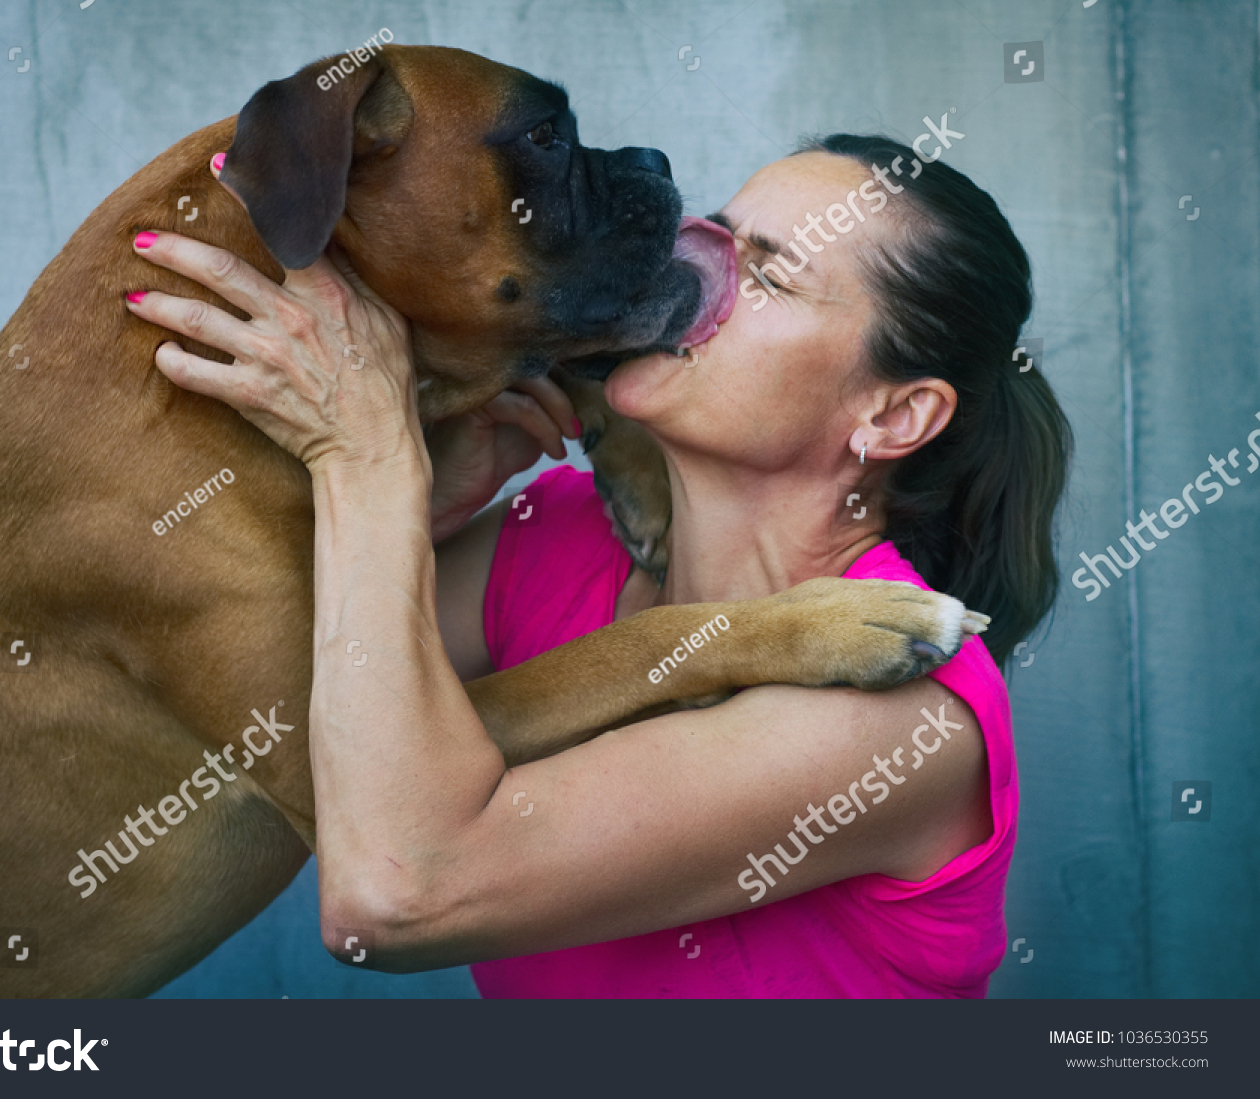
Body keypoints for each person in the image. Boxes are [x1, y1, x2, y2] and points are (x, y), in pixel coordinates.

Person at [123, 134, 1072, 997]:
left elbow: (394, 895)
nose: (692, 275)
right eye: (717, 239)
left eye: (772, 278)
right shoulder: (552, 534)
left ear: (893, 417)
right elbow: (252, 723)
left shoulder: (899, 703)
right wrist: (412, 511)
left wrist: (366, 457)